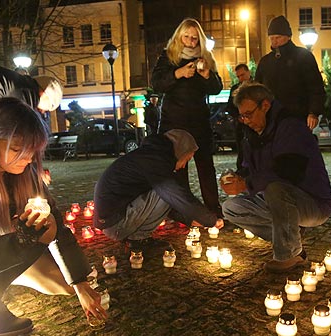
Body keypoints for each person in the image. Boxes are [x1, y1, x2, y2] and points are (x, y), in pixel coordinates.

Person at [0, 98, 105, 336]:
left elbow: (57, 228)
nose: (28, 158)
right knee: (34, 238)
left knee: (64, 280)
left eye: (33, 150)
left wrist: (80, 281)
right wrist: (21, 240)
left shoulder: (23, 172)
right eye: (17, 149)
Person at [221, 83, 331, 273]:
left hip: (312, 202)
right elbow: (249, 169)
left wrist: (247, 183)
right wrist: (235, 178)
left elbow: (287, 172)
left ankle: (289, 254)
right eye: (242, 116)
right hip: (275, 200)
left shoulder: (291, 127)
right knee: (230, 208)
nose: (245, 121)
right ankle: (292, 237)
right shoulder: (252, 135)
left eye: (248, 114)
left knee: (276, 188)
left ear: (265, 105)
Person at [93, 129, 224, 252]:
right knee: (169, 190)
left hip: (111, 220)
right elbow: (174, 196)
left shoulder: (150, 156)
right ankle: (139, 238)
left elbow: (164, 202)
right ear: (181, 151)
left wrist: (188, 220)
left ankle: (136, 237)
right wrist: (210, 220)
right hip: (115, 224)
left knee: (167, 191)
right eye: (187, 159)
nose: (184, 165)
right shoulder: (154, 160)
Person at [151, 18, 223, 217]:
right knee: (178, 168)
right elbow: (156, 84)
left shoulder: (206, 57)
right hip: (174, 122)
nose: (191, 42)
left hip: (199, 121)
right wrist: (178, 74)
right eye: (187, 37)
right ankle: (182, 209)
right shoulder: (168, 56)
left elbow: (217, 88)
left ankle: (212, 208)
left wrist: (208, 75)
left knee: (205, 166)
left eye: (194, 38)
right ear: (179, 37)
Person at [255, 15, 326, 130]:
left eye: (277, 37)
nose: (274, 42)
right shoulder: (265, 62)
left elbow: (315, 87)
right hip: (272, 118)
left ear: (288, 37)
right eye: (271, 38)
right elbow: (258, 89)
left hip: (298, 116)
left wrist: (313, 112)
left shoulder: (303, 57)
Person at [226, 63, 252, 171]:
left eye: (242, 75)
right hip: (241, 125)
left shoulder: (255, 86)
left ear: (248, 73)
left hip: (253, 123)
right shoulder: (235, 88)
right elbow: (229, 107)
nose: (241, 78)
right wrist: (238, 117)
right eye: (238, 76)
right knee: (241, 148)